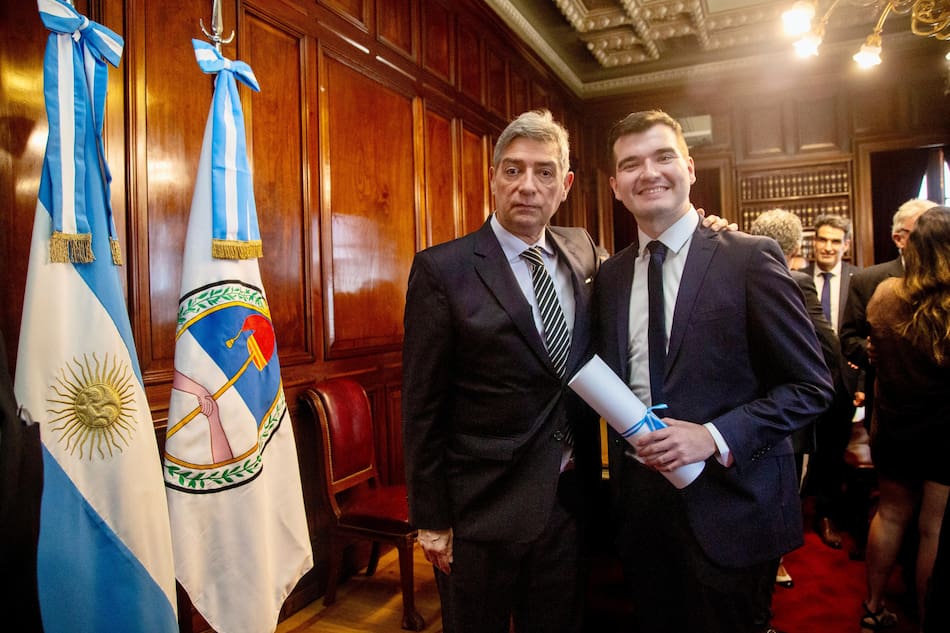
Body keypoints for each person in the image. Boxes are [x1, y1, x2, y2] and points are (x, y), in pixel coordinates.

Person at [594, 110, 834, 633]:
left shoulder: (749, 258)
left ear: (690, 167)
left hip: (734, 506)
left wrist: (712, 436)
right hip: (642, 514)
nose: (648, 172)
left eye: (663, 156)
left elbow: (811, 386)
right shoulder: (609, 278)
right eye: (630, 164)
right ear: (615, 186)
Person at [401, 109, 602, 633]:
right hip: (480, 510)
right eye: (512, 171)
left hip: (566, 503)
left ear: (566, 184)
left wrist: (705, 231)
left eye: (544, 172)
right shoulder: (442, 270)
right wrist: (432, 519)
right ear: (491, 178)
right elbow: (421, 406)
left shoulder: (583, 253)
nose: (527, 186)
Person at [860, 206, 950, 631]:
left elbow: (875, 350)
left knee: (891, 515)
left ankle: (873, 607)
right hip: (943, 432)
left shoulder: (885, 294)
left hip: (894, 424)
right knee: (933, 530)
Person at [749, 209, 842, 592]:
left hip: (744, 410)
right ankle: (773, 567)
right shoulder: (798, 281)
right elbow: (828, 347)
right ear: (795, 247)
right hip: (788, 411)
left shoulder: (734, 274)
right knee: (783, 494)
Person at [799, 214, 861, 550]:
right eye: (822, 239)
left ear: (846, 246)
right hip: (803, 378)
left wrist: (861, 380)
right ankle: (793, 513)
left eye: (835, 241)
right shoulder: (797, 277)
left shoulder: (859, 279)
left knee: (832, 452)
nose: (827, 247)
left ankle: (826, 514)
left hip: (843, 382)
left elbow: (865, 336)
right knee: (799, 450)